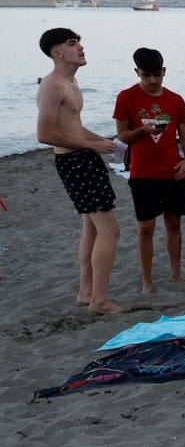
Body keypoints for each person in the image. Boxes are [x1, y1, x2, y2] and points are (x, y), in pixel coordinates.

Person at [37, 27, 121, 314]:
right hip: (75, 163)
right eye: (73, 44)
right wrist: (91, 146)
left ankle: (86, 293)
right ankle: (100, 301)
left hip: (82, 157)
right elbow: (45, 133)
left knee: (91, 228)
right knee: (110, 231)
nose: (81, 48)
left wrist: (100, 141)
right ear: (57, 52)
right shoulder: (53, 85)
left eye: (80, 43)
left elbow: (71, 126)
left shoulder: (70, 82)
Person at [113, 47, 185, 293]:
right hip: (142, 173)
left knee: (174, 224)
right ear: (137, 72)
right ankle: (147, 280)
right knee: (145, 227)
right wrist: (143, 131)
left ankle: (177, 273)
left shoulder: (175, 99)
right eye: (146, 75)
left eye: (157, 74)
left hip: (173, 170)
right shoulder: (126, 97)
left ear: (164, 71)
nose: (152, 80)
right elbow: (122, 136)